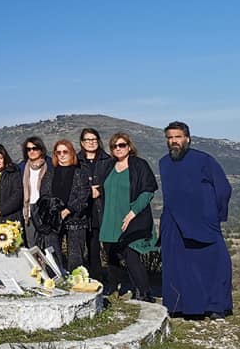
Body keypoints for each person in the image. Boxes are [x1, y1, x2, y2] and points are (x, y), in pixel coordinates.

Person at [159, 121, 233, 319]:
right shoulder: (163, 163)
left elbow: (223, 189)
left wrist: (215, 216)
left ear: (187, 139)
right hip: (174, 224)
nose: (174, 141)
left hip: (204, 222)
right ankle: (180, 306)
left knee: (215, 264)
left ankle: (216, 306)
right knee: (179, 266)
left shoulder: (204, 160)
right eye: (170, 137)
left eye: (178, 137)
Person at [99, 132, 157, 302]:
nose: (118, 148)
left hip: (132, 218)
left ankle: (145, 293)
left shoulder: (139, 165)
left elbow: (148, 191)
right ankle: (114, 289)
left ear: (129, 146)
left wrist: (133, 213)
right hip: (110, 218)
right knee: (111, 257)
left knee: (131, 256)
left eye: (122, 145)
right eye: (114, 146)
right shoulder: (109, 166)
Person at [37, 139, 91, 269]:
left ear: (71, 153)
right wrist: (55, 210)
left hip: (75, 220)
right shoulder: (50, 173)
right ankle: (58, 284)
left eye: (65, 152)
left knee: (76, 258)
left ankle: (76, 285)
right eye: (58, 152)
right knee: (53, 256)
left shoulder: (80, 172)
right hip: (54, 219)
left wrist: (68, 209)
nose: (61, 155)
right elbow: (44, 194)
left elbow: (84, 195)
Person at [78, 128, 113, 280]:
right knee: (92, 249)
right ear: (82, 143)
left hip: (105, 209)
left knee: (110, 249)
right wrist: (87, 191)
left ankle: (114, 280)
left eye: (93, 139)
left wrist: (100, 190)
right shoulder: (76, 160)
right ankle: (96, 279)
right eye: (87, 140)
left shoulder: (108, 160)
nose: (91, 143)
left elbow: (113, 183)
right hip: (86, 211)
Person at [19, 136, 50, 249]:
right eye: (28, 149)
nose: (31, 151)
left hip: (44, 209)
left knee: (48, 246)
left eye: (35, 148)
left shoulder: (50, 165)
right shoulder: (22, 167)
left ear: (41, 149)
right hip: (28, 210)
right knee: (32, 246)